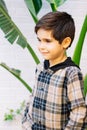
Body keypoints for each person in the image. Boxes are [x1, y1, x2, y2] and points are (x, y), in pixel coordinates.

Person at [22, 11, 87, 130]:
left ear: (65, 42)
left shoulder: (71, 73)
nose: (41, 46)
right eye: (39, 40)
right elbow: (33, 96)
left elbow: (78, 112)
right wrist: (25, 121)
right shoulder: (40, 67)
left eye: (47, 41)